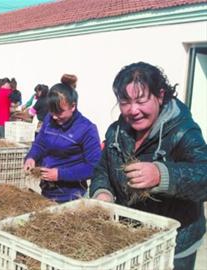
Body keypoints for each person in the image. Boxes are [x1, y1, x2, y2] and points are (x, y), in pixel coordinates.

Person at [89, 62, 207, 269]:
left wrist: (163, 175)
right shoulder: (116, 131)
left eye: (141, 101)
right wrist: (102, 192)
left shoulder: (183, 131)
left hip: (175, 245)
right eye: (125, 101)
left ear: (160, 96)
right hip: (131, 238)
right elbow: (103, 169)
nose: (133, 110)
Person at [23, 81, 102, 203]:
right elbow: (40, 144)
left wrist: (60, 174)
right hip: (47, 192)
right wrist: (31, 157)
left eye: (59, 112)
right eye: (52, 111)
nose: (54, 116)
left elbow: (94, 166)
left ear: (73, 106)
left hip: (72, 197)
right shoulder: (49, 120)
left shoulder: (87, 129)